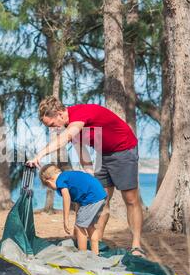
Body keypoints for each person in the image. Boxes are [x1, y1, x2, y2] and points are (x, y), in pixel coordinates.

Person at [27, 96, 146, 258]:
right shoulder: (70, 127)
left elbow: (66, 137)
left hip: (124, 149)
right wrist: (90, 174)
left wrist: (39, 155)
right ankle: (98, 242)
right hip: (103, 154)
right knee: (100, 199)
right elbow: (83, 155)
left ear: (60, 114)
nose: (53, 129)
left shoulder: (80, 114)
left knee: (131, 200)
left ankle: (136, 246)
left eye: (52, 124)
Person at [39, 163, 109, 255]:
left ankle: (82, 256)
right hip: (100, 195)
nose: (53, 189)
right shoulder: (68, 176)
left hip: (92, 198)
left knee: (79, 227)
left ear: (48, 181)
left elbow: (66, 198)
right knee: (90, 226)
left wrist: (66, 220)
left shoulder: (60, 180)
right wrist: (77, 218)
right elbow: (78, 202)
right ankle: (95, 254)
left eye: (49, 187)